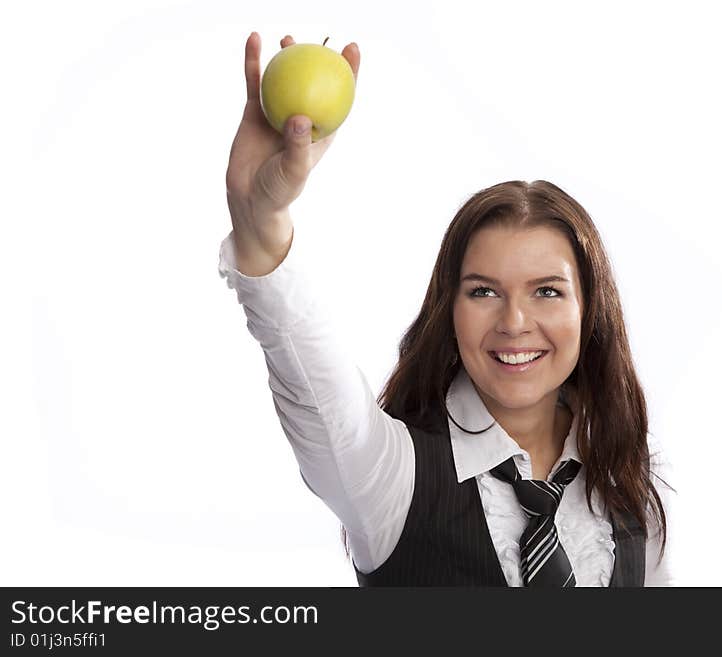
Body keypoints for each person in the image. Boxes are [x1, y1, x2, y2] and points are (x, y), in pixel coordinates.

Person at [220, 32, 675, 586]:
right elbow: (310, 374)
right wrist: (261, 225)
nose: (514, 322)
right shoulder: (389, 474)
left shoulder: (631, 484)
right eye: (483, 291)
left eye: (547, 291)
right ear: (449, 310)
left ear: (590, 311)